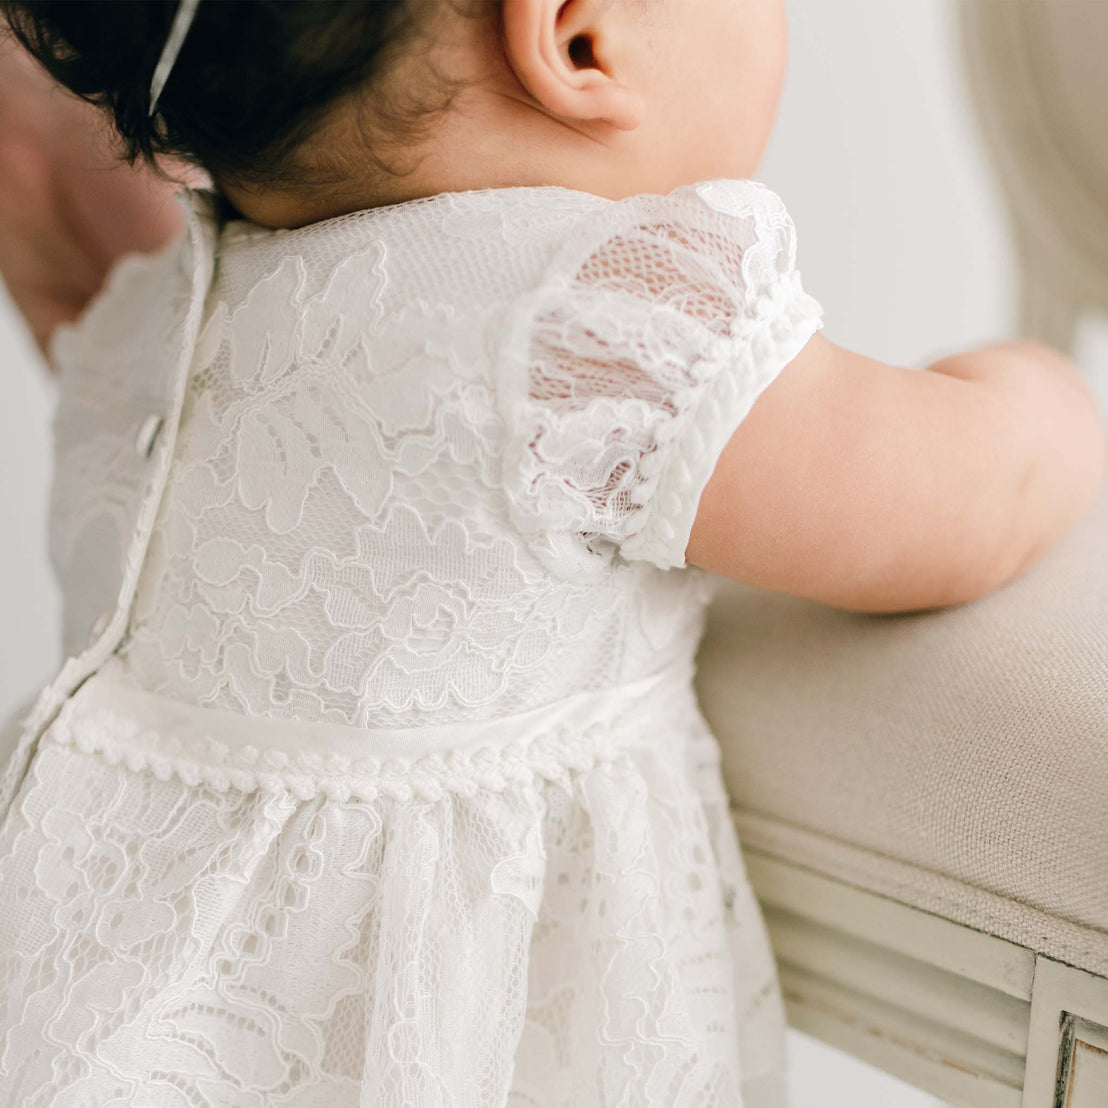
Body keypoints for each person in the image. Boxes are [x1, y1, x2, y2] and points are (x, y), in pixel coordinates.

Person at [0, 2, 1103, 1106]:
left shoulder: (153, 320)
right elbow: (964, 502)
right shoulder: (587, 327)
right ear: (581, 39)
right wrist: (1041, 389)